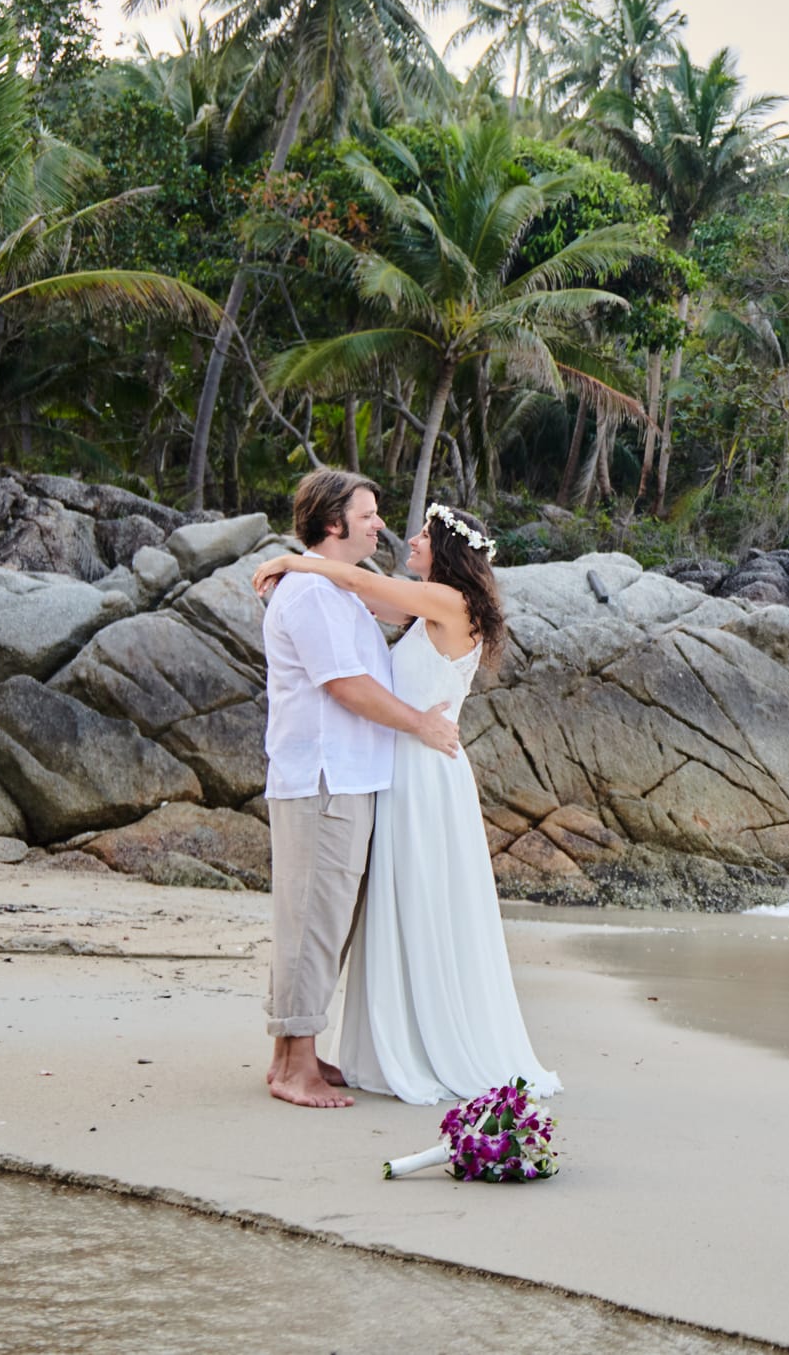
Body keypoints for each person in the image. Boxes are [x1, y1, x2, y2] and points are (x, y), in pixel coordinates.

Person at [251, 500, 562, 1104]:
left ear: (445, 551)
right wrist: (310, 570)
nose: (408, 537)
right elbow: (358, 600)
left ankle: (410, 1040)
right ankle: (315, 1050)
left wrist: (293, 558)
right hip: (394, 768)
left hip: (423, 771)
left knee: (415, 900)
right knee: (380, 906)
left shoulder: (450, 603)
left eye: (423, 533)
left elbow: (362, 582)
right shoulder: (425, 607)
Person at [259, 470, 461, 1110]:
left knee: (326, 920)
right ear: (332, 522)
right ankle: (293, 1068)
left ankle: (294, 1051)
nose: (380, 525)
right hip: (325, 779)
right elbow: (344, 684)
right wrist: (420, 724)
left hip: (347, 778)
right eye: (368, 515)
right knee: (313, 921)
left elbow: (409, 605)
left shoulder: (335, 589)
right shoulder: (312, 596)